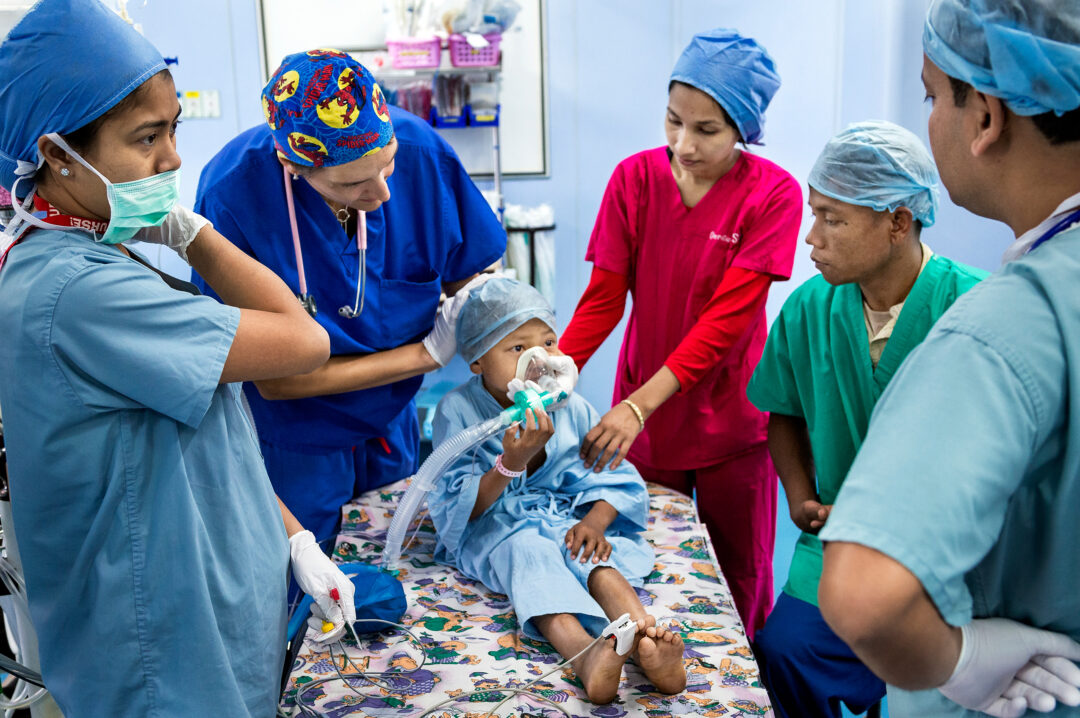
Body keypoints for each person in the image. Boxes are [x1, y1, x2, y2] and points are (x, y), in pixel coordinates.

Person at [0, 1, 358, 715]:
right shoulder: (75, 290)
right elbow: (305, 342)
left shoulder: (96, 256)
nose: (173, 159)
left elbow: (196, 442)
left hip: (197, 621)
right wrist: (191, 233)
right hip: (160, 656)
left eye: (174, 129)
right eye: (146, 138)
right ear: (55, 155)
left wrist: (290, 536)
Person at [816, 2, 1080, 717]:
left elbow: (865, 595)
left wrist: (962, 661)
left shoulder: (1007, 325)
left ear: (987, 116)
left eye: (933, 96)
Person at [193, 50, 506, 547]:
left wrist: (517, 341)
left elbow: (472, 278)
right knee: (312, 595)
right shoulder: (232, 196)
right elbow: (275, 382)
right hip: (295, 440)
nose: (382, 193)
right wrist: (421, 357)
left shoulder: (422, 153)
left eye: (387, 165)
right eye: (352, 182)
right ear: (292, 164)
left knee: (401, 569)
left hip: (392, 426)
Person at [558, 28, 803, 638]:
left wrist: (636, 408)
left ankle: (747, 689)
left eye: (707, 130)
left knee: (740, 573)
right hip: (648, 424)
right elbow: (603, 300)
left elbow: (726, 322)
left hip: (732, 419)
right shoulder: (634, 180)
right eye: (673, 121)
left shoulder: (774, 194)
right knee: (646, 559)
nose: (683, 144)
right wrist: (549, 371)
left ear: (744, 126)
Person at [746, 120, 987, 718]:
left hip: (943, 553)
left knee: (940, 685)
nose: (811, 238)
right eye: (813, 214)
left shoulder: (972, 311)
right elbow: (784, 413)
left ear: (897, 222)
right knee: (784, 649)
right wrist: (801, 499)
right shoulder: (809, 307)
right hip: (836, 540)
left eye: (832, 218)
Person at [427, 277, 687, 704]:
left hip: (566, 517)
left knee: (590, 556)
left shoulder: (572, 406)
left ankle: (647, 639)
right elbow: (459, 509)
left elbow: (612, 477)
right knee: (531, 553)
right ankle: (585, 656)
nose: (540, 359)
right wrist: (510, 464)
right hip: (500, 526)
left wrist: (593, 521)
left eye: (549, 342)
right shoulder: (458, 413)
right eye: (517, 348)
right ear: (476, 361)